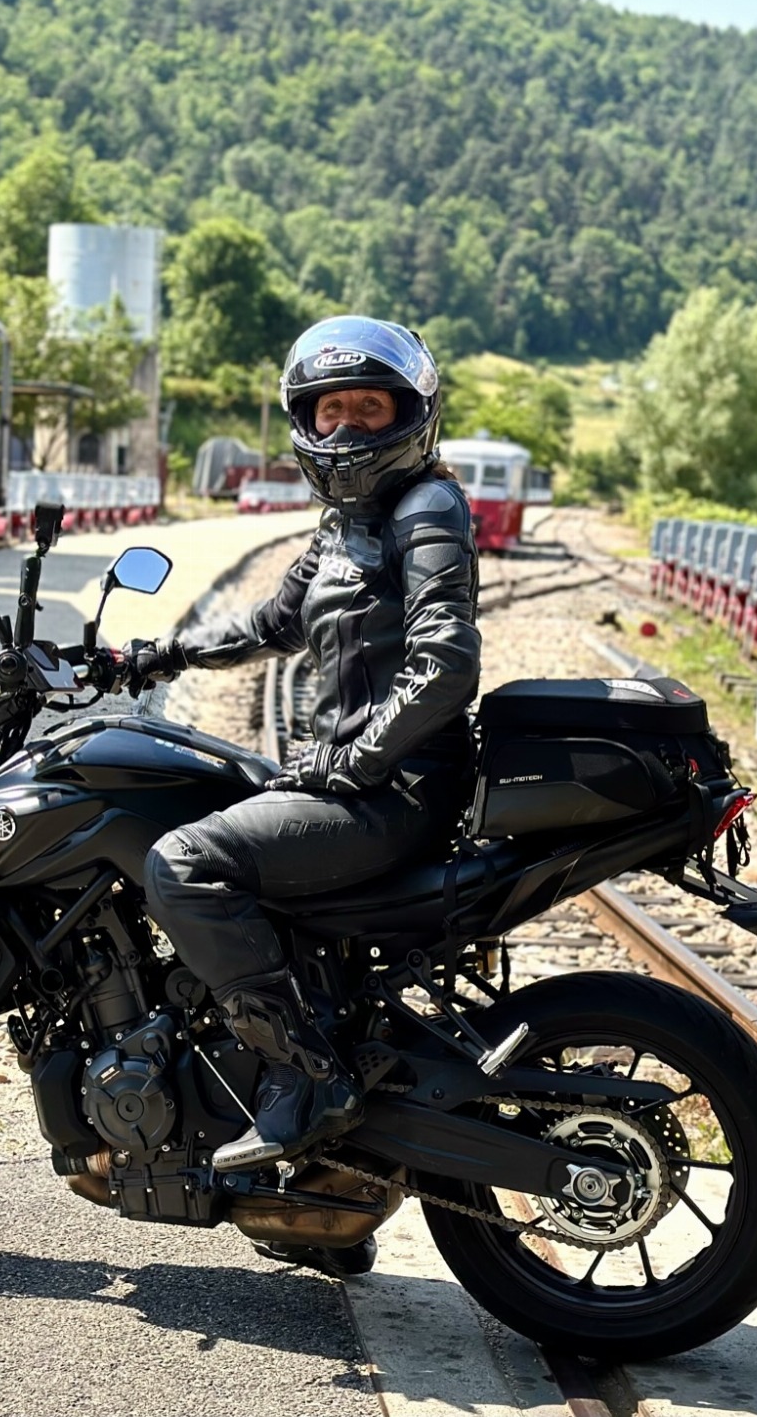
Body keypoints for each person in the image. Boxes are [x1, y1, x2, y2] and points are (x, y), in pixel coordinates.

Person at [128, 316, 481, 1263]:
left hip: (390, 794)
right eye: (336, 408)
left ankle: (309, 1076)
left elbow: (446, 662)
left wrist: (360, 757)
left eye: (373, 407)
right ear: (307, 419)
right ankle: (324, 1205)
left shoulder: (426, 511)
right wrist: (158, 652)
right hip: (358, 783)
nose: (355, 427)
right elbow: (273, 620)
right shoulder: (347, 526)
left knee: (185, 863)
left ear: (410, 415)